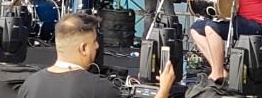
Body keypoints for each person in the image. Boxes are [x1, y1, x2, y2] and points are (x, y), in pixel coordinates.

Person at [18, 13, 174, 98]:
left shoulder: (30, 84)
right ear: (84, 48)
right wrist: (164, 90)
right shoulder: (100, 89)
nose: (98, 46)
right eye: (95, 41)